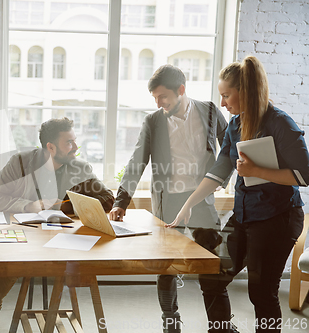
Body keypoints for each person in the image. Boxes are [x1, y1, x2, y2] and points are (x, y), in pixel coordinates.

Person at [171, 55, 309, 333]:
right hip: (245, 216)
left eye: (226, 95)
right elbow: (220, 169)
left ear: (244, 91)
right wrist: (188, 204)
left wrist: (257, 169)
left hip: (278, 219)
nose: (222, 103)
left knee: (261, 293)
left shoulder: (281, 123)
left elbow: (304, 175)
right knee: (211, 276)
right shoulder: (235, 125)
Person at [0, 117, 114, 333]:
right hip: (15, 233)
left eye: (74, 141)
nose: (75, 147)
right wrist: (28, 205)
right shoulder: (20, 162)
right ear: (50, 147)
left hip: (59, 240)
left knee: (14, 263)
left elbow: (107, 199)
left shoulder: (80, 167)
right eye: (69, 143)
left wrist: (70, 205)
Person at [108, 64, 229, 333]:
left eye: (163, 97)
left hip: (201, 201)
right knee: (166, 268)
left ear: (181, 90)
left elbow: (230, 146)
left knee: (212, 267)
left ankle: (220, 327)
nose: (159, 103)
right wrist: (121, 201)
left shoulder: (210, 111)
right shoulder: (153, 121)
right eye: (155, 98)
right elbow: (136, 160)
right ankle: (170, 321)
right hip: (168, 203)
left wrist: (223, 180)